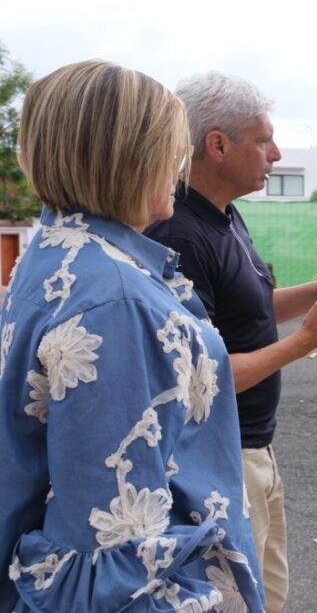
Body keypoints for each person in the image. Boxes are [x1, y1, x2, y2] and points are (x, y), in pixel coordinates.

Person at [0, 60, 264, 611]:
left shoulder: (55, 252)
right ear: (128, 156)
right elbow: (114, 551)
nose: (180, 165)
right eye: (170, 148)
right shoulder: (116, 300)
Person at [145, 71, 317, 613]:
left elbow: (251, 309)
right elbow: (199, 377)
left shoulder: (225, 217)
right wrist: (308, 337)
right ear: (218, 144)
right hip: (218, 458)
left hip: (256, 449)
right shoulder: (182, 234)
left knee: (268, 597)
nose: (276, 152)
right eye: (263, 139)